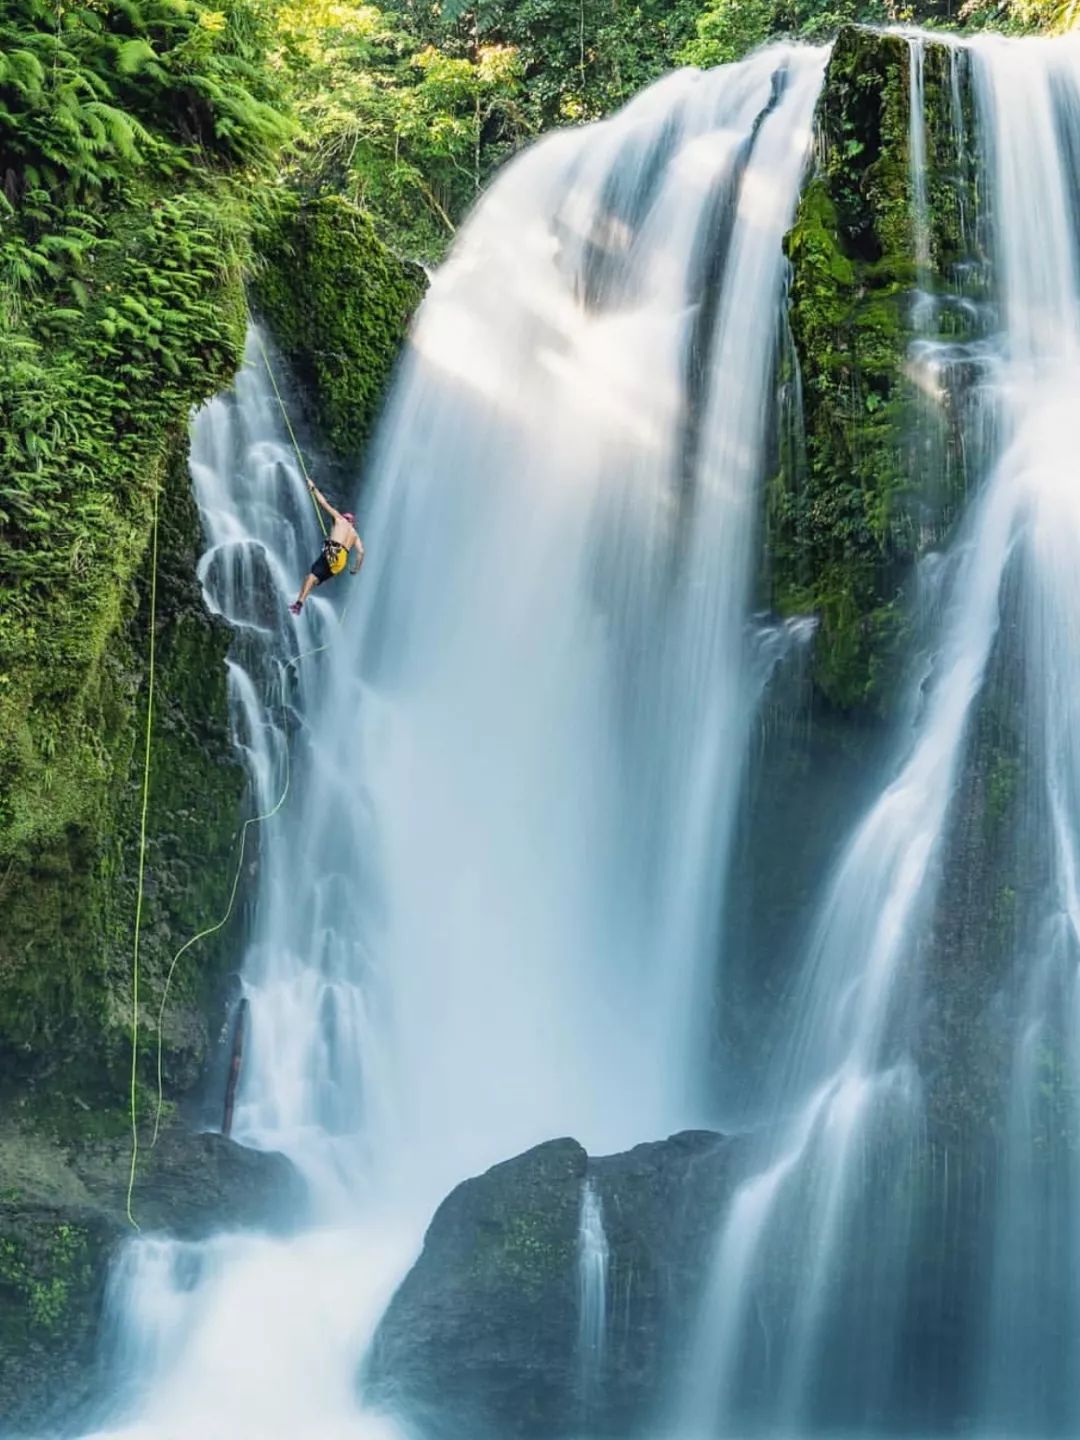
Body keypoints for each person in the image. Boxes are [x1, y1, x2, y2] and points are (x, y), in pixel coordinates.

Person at [290, 480, 365, 615]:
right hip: (341, 560)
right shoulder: (355, 535)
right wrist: (356, 569)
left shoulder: (339, 519)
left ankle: (299, 603)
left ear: (344, 518)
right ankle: (299, 602)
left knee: (311, 577)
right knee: (312, 578)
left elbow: (323, 503)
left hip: (333, 550)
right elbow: (361, 552)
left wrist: (313, 488)